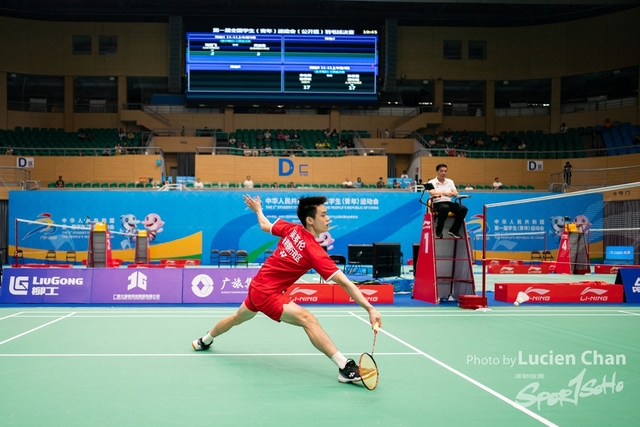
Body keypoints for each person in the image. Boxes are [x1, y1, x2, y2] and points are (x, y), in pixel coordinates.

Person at [191, 195, 382, 383]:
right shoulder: (314, 251)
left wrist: (258, 210)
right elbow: (346, 283)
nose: (328, 218)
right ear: (310, 220)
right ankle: (344, 366)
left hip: (258, 285)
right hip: (267, 293)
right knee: (308, 319)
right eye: (323, 215)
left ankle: (204, 340)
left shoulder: (293, 230)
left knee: (237, 318)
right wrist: (370, 308)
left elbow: (265, 225)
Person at [427, 164, 468, 239]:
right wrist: (444, 193)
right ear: (436, 172)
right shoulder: (431, 182)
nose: (444, 173)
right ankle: (439, 230)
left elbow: (455, 192)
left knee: (463, 209)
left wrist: (454, 193)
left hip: (448, 202)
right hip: (437, 203)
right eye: (441, 171)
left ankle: (454, 230)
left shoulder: (450, 181)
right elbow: (432, 192)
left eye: (445, 171)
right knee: (445, 208)